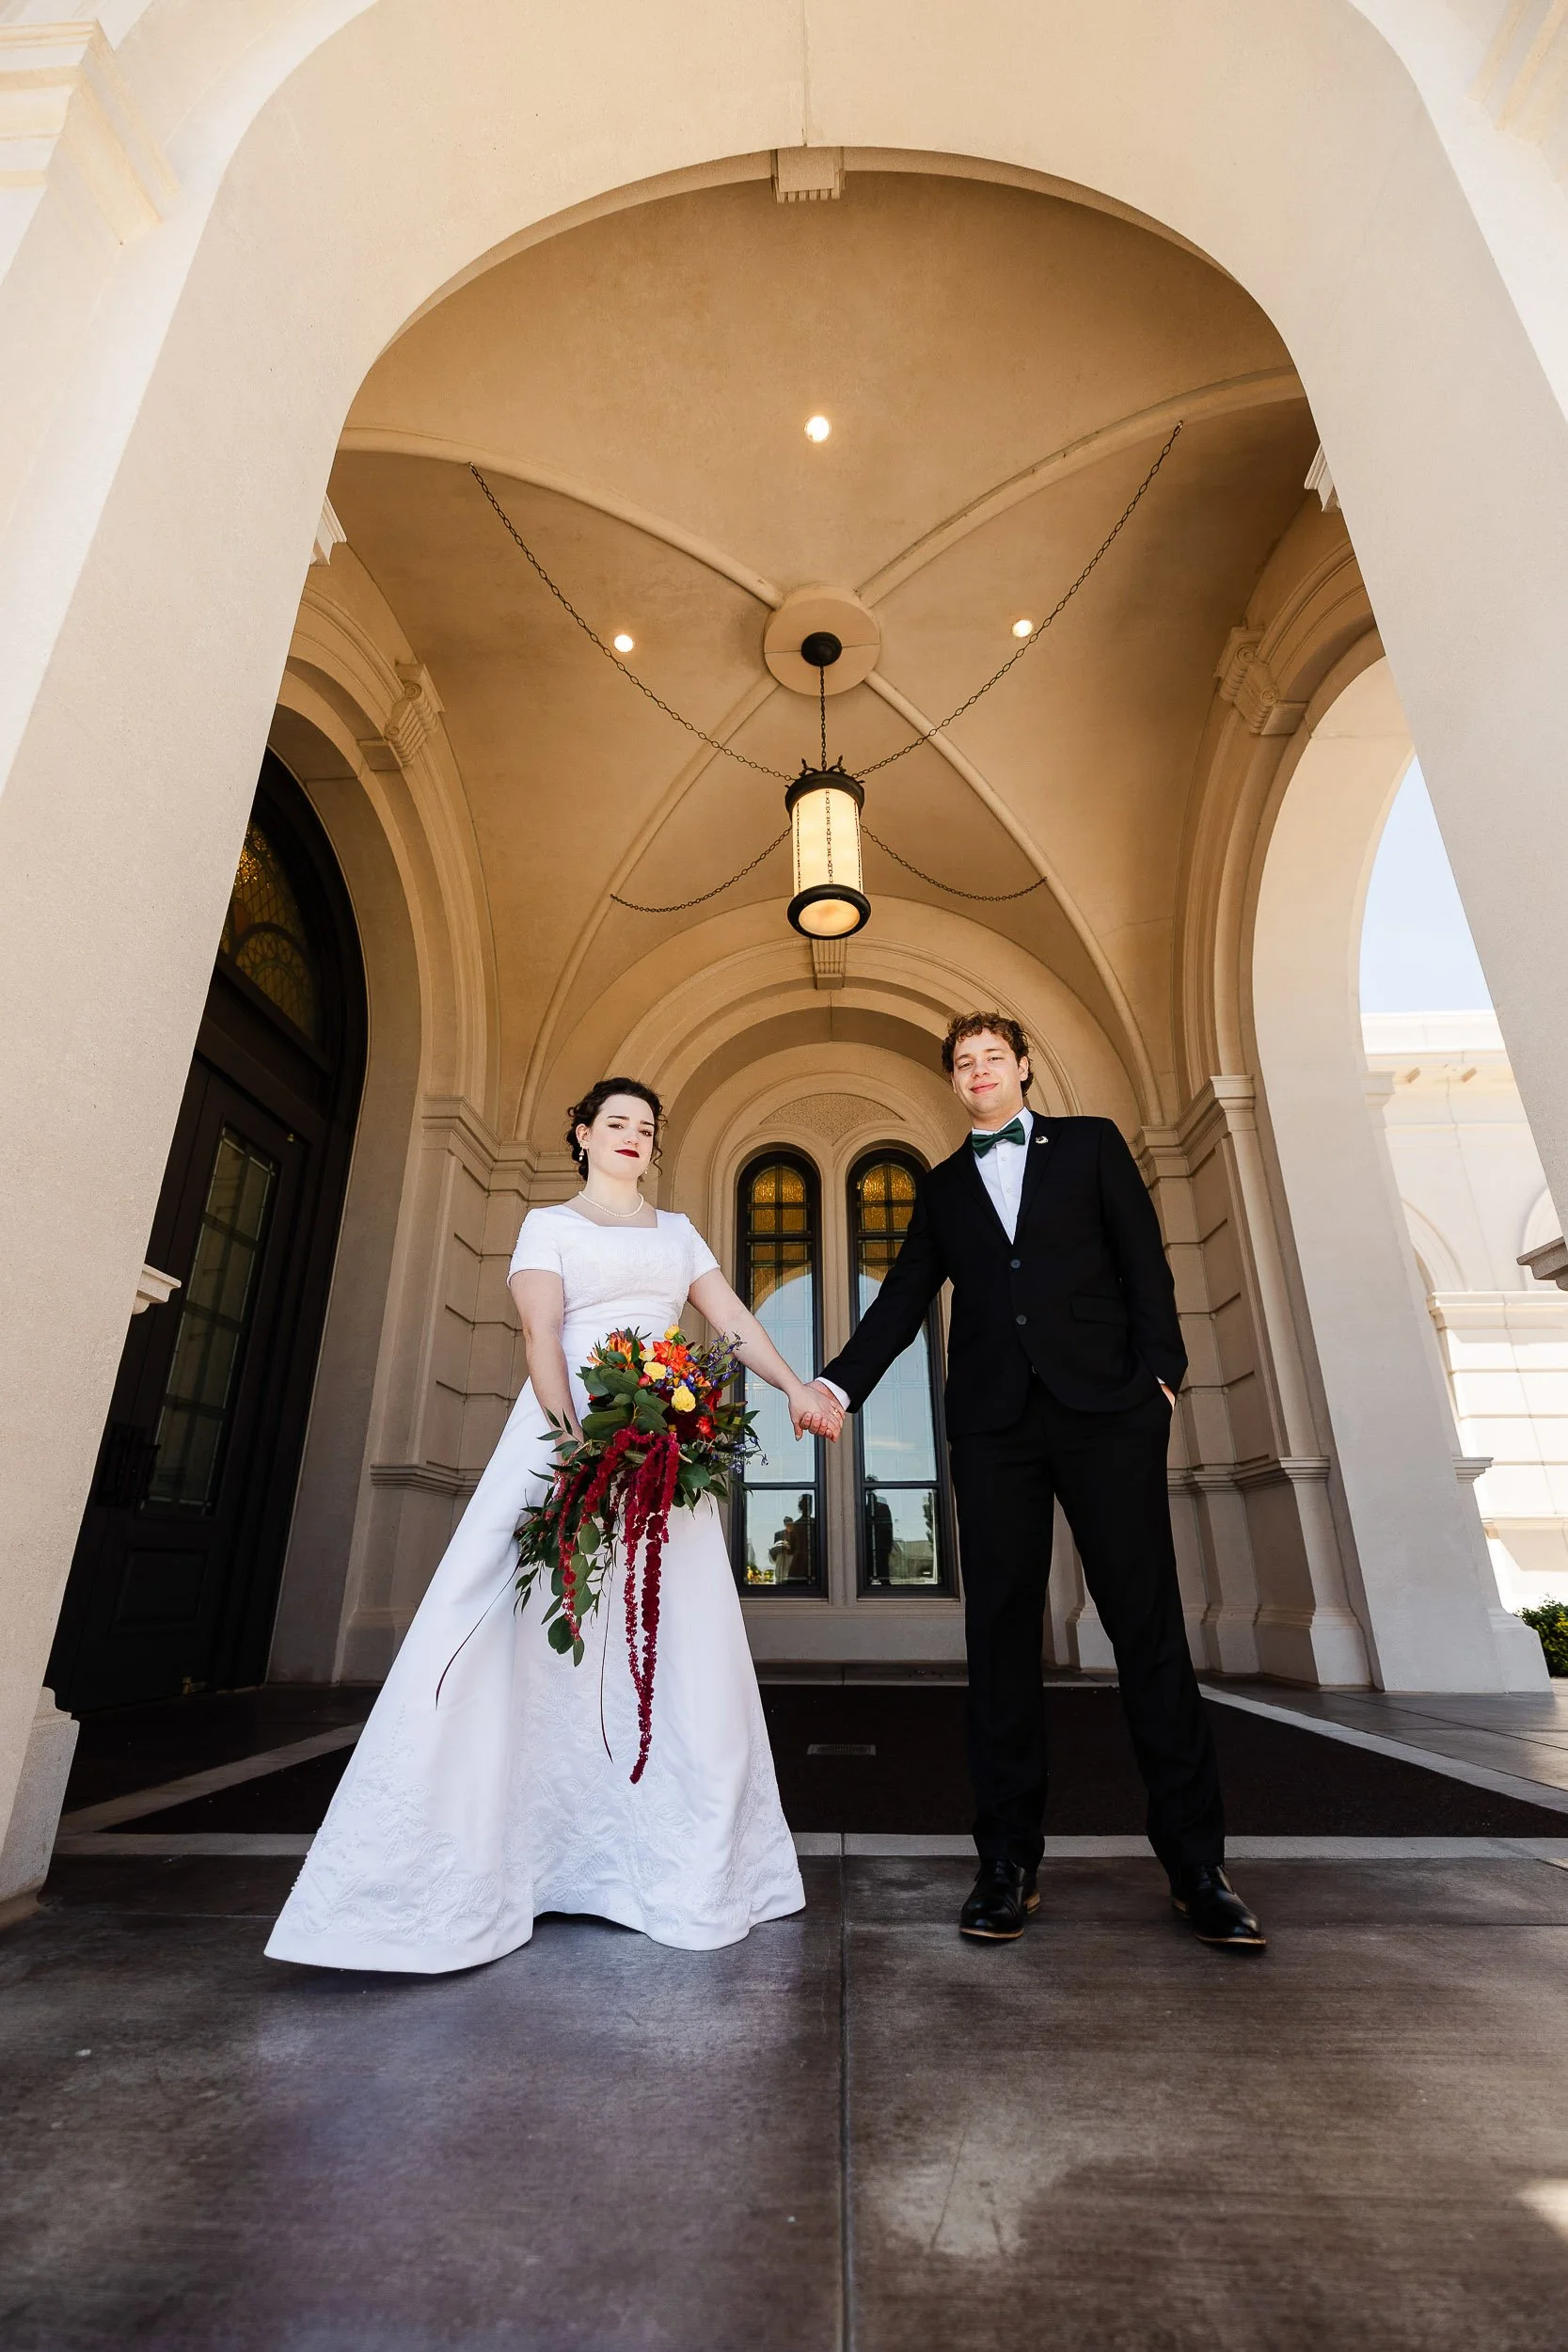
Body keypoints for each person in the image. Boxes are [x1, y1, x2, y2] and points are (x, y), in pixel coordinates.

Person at [266, 1077, 837, 1973]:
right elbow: (541, 1335)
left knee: (673, 1640)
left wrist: (796, 1388)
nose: (631, 1137)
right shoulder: (548, 1226)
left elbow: (727, 1323)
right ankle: (517, 1865)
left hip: (661, 1454)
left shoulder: (680, 1233)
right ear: (581, 1134)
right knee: (519, 1630)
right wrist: (577, 1441)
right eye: (615, 1123)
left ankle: (666, 1869)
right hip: (565, 1435)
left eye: (645, 1129)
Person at [796, 1013, 1265, 1951]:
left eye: (990, 1058)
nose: (976, 1071)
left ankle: (1195, 1866)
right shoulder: (938, 1188)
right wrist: (837, 1381)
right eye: (961, 1063)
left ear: (1021, 1067)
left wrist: (1158, 1378)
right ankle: (1006, 1862)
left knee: (1147, 1631)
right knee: (999, 1638)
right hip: (994, 1428)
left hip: (1106, 1414)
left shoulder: (1087, 1146)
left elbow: (1144, 1265)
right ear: (954, 1081)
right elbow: (900, 1298)